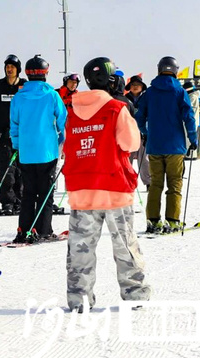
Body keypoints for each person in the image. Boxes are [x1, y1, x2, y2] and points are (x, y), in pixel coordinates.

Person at [63, 57, 151, 312]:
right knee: (124, 244)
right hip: (114, 188)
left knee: (80, 248)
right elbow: (131, 144)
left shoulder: (72, 110)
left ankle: (79, 298)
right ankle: (134, 293)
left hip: (82, 189)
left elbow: (67, 144)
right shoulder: (115, 109)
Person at [134, 56, 198, 233]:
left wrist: (146, 133)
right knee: (174, 184)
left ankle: (153, 220)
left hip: (155, 146)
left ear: (159, 69)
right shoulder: (180, 92)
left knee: (155, 184)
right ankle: (173, 220)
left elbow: (139, 117)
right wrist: (193, 139)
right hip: (175, 147)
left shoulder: (150, 93)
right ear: (176, 71)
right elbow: (189, 118)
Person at [9, 55, 67, 243]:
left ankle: (24, 228)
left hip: (26, 152)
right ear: (46, 73)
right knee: (46, 192)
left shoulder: (18, 97)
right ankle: (43, 229)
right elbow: (62, 119)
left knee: (28, 192)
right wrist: (61, 139)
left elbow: (14, 125)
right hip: (47, 151)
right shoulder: (51, 95)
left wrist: (17, 146)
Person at [0, 55, 26, 215]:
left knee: (21, 170)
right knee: (6, 169)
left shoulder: (24, 86)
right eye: (7, 66)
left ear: (18, 70)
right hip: (2, 135)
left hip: (22, 136)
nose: (9, 69)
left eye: (12, 67)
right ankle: (7, 202)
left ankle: (20, 201)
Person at [125, 75, 151, 190]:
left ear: (142, 87)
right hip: (127, 133)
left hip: (142, 133)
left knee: (144, 159)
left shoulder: (146, 99)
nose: (135, 87)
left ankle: (148, 182)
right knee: (127, 159)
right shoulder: (124, 98)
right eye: (133, 85)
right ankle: (126, 181)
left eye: (138, 85)